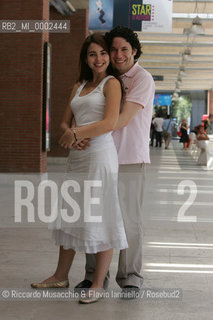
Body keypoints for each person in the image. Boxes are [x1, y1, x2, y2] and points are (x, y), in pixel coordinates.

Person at [31, 33, 128, 304]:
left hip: (99, 156)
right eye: (92, 54)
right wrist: (71, 133)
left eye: (102, 53)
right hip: (78, 157)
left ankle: (97, 284)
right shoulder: (79, 85)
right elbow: (62, 123)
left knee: (101, 215)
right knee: (71, 213)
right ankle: (61, 275)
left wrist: (76, 134)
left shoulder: (112, 84)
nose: (98, 59)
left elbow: (109, 123)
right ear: (85, 59)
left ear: (109, 56)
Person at [75, 26, 155, 297]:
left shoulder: (142, 79)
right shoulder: (103, 80)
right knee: (95, 218)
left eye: (124, 49)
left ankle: (130, 276)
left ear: (134, 51)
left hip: (129, 160)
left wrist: (81, 134)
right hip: (99, 157)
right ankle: (93, 276)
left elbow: (121, 120)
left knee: (129, 221)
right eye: (113, 49)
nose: (118, 55)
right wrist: (82, 135)